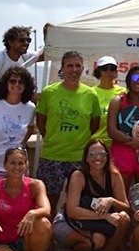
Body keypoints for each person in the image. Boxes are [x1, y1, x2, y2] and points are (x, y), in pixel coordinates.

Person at [36, 51, 103, 214]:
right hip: (52, 156)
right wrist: (54, 138)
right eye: (70, 66)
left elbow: (94, 124)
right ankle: (48, 237)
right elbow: (41, 123)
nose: (74, 69)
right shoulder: (48, 92)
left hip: (79, 158)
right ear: (62, 69)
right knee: (48, 204)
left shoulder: (91, 94)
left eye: (78, 65)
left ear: (82, 68)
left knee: (78, 203)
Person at [62, 138, 132, 251]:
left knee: (124, 218)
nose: (97, 158)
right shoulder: (78, 175)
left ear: (107, 156)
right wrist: (105, 216)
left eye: (101, 154)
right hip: (74, 221)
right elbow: (72, 210)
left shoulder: (114, 175)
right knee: (98, 240)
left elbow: (126, 207)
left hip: (100, 221)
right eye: (92, 154)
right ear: (86, 158)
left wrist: (111, 200)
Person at [90, 55, 126, 145]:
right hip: (96, 144)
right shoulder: (90, 93)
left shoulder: (124, 92)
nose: (108, 72)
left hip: (118, 144)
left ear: (116, 72)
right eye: (104, 68)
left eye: (112, 68)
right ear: (98, 71)